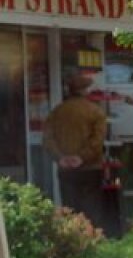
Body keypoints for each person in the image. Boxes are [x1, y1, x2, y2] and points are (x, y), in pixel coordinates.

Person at [43, 74, 106, 227]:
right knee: (91, 210)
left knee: (69, 210)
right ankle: (91, 241)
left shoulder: (57, 112)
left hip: (66, 170)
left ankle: (73, 242)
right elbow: (97, 141)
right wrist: (81, 157)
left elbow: (48, 139)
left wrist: (61, 158)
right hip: (91, 168)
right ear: (85, 90)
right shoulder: (96, 111)